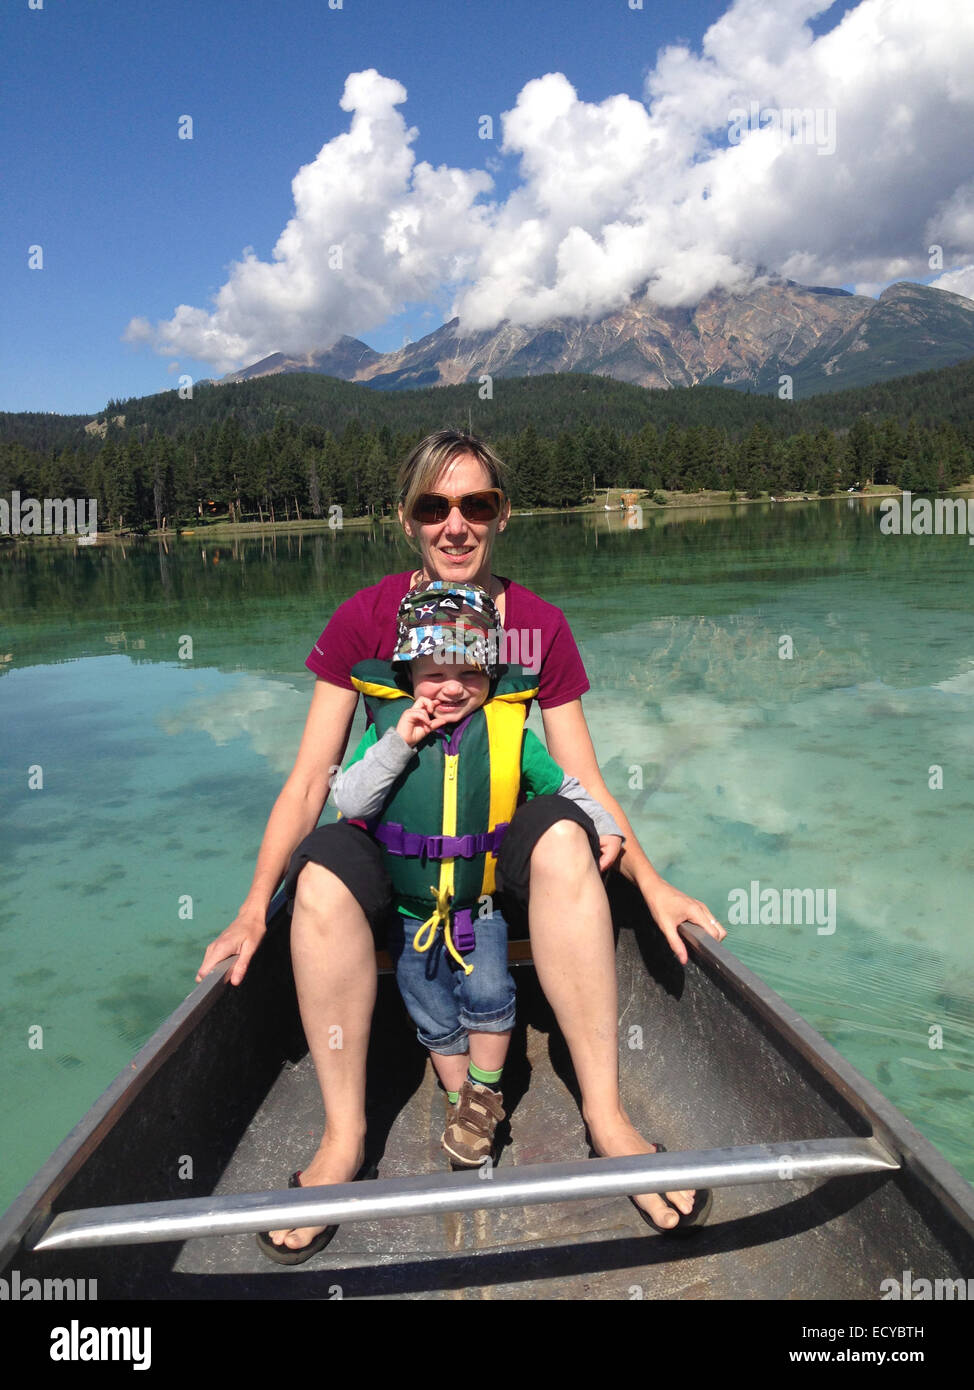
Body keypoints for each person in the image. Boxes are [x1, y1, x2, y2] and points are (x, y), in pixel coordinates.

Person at [198, 429, 727, 1257]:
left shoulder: (538, 628)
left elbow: (580, 775)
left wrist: (652, 880)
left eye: (475, 504)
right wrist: (250, 907)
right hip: (402, 853)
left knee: (564, 838)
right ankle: (342, 1140)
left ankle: (608, 1119)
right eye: (434, 506)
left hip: (493, 859)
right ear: (408, 520)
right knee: (323, 873)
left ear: (502, 515)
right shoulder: (364, 620)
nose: (456, 525)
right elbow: (310, 782)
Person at [330, 580, 625, 1174]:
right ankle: (461, 1098)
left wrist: (605, 825)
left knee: (492, 996)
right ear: (409, 672)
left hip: (480, 907)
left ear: (490, 674)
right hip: (413, 913)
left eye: (469, 672)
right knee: (429, 1008)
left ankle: (484, 1096)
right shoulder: (387, 731)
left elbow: (564, 786)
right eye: (434, 671)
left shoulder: (509, 734)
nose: (451, 687)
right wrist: (396, 746)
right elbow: (351, 801)